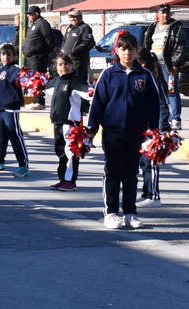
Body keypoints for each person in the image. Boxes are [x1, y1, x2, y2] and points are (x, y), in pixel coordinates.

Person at [87, 31, 161, 229]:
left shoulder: (145, 75)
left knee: (131, 173)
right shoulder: (108, 75)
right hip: (113, 134)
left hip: (136, 134)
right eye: (123, 49)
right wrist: (91, 130)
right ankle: (110, 212)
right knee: (112, 172)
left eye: (131, 49)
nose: (127, 53)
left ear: (137, 51)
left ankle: (130, 213)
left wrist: (155, 133)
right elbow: (97, 105)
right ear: (117, 51)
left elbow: (154, 105)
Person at [0, 44, 30, 175]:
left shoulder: (16, 70)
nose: (6, 57)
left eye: (9, 55)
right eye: (3, 54)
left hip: (11, 109)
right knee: (0, 137)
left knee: (15, 136)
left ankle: (23, 165)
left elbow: (24, 78)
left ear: (14, 56)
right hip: (0, 109)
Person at [45, 52, 89, 190]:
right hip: (57, 121)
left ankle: (70, 181)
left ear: (72, 66)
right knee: (60, 151)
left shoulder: (75, 82)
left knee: (70, 152)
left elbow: (88, 93)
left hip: (70, 123)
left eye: (66, 64)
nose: (63, 67)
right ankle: (62, 178)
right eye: (60, 64)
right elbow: (46, 88)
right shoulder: (56, 81)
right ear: (56, 66)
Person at [140, 4, 187, 129]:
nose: (165, 15)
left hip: (168, 66)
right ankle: (164, 119)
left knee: (171, 91)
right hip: (154, 65)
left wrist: (175, 64)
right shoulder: (152, 27)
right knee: (158, 92)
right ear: (158, 14)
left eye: (167, 12)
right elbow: (147, 44)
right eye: (163, 12)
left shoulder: (175, 27)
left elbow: (180, 46)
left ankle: (176, 119)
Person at [137, 48, 173, 207]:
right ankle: (146, 193)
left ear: (143, 63)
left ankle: (154, 196)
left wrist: (162, 128)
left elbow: (163, 105)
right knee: (143, 162)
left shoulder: (153, 79)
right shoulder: (142, 77)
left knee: (151, 162)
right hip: (142, 126)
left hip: (154, 129)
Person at [21, 6, 54, 106]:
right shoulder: (34, 24)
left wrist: (42, 53)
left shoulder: (42, 23)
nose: (28, 16)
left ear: (36, 14)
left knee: (37, 80)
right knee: (31, 80)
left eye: (30, 14)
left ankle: (39, 101)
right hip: (31, 58)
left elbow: (49, 40)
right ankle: (31, 100)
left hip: (38, 58)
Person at [59, 9, 96, 80]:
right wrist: (62, 51)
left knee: (78, 81)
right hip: (67, 60)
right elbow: (64, 40)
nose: (72, 19)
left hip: (78, 61)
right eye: (70, 17)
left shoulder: (85, 28)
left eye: (74, 17)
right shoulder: (70, 27)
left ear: (80, 17)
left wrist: (74, 51)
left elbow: (86, 43)